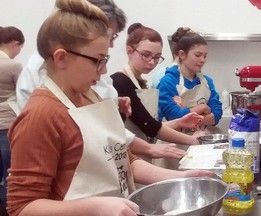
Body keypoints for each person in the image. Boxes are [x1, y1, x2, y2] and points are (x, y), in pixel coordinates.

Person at [7, 1, 213, 215]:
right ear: (61, 58)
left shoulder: (91, 98)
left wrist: (181, 178)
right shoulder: (42, 114)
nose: (104, 69)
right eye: (97, 60)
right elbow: (21, 207)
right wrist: (95, 206)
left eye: (105, 59)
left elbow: (124, 161)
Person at [15, 0, 195, 161]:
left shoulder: (87, 83)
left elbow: (106, 131)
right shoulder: (43, 96)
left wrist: (113, 105)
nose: (110, 44)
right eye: (110, 35)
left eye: (156, 57)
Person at [111, 23, 207, 148]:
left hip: (144, 149)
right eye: (146, 55)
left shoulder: (140, 82)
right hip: (128, 154)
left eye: (157, 57)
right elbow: (149, 126)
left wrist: (180, 122)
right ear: (129, 51)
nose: (152, 62)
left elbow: (147, 124)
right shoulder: (120, 82)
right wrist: (191, 140)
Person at [157, 27, 222, 127]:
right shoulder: (168, 81)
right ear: (182, 54)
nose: (202, 60)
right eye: (197, 55)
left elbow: (216, 115)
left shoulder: (207, 82)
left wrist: (186, 111)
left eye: (205, 56)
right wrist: (202, 108)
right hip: (174, 141)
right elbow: (173, 116)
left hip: (201, 140)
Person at [0, 26, 24, 209]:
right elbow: (24, 94)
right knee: (11, 171)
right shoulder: (13, 66)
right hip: (8, 124)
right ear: (15, 44)